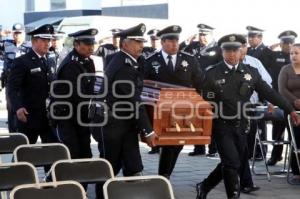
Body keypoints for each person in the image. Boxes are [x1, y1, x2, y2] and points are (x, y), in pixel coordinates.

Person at [195, 34, 300, 199]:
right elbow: (203, 101)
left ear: (241, 51)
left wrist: (289, 109)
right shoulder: (212, 74)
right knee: (232, 163)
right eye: (227, 50)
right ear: (222, 52)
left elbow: (270, 93)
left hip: (243, 124)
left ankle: (205, 186)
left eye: (235, 50)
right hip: (221, 125)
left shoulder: (251, 72)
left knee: (231, 162)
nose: (231, 54)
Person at [144, 25, 203, 179]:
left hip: (184, 109)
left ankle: (165, 175)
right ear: (162, 42)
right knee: (169, 143)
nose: (174, 44)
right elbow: (144, 86)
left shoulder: (189, 60)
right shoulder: (150, 61)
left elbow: (199, 83)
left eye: (176, 41)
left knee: (178, 143)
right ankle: (164, 176)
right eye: (170, 41)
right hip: (160, 111)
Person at [97, 23, 156, 177]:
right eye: (137, 42)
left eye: (142, 42)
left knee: (133, 166)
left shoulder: (127, 61)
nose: (141, 45)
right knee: (110, 168)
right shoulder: (124, 66)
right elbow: (134, 101)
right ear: (125, 44)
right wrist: (148, 131)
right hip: (114, 126)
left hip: (125, 123)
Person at [52, 28, 98, 159]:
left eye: (92, 44)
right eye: (87, 44)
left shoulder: (88, 61)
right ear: (77, 45)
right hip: (66, 117)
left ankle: (82, 179)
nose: (91, 47)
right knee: (71, 155)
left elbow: (91, 87)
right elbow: (76, 94)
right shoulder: (71, 64)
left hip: (81, 116)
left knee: (85, 154)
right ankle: (51, 179)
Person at [7, 24, 57, 144]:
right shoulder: (22, 61)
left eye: (49, 40)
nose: (47, 43)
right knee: (24, 154)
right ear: (34, 41)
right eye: (44, 40)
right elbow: (12, 88)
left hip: (47, 116)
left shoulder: (49, 61)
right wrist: (18, 108)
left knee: (53, 152)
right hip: (29, 116)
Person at [183, 23, 222, 157]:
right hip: (195, 89)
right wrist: (186, 42)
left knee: (212, 119)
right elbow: (181, 54)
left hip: (211, 89)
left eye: (204, 34)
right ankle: (199, 147)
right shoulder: (193, 47)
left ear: (211, 34)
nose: (202, 37)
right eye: (200, 34)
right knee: (196, 118)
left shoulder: (218, 49)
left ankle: (213, 148)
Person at [261, 30, 297, 166]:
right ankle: (275, 156)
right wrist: (270, 48)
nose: (288, 45)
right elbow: (262, 59)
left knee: (294, 132)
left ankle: (294, 161)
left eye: (290, 43)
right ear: (280, 44)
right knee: (277, 131)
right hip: (277, 98)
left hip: (293, 101)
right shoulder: (275, 56)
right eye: (285, 43)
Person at [0, 23, 31, 132]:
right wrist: (1, 34)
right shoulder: (6, 45)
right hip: (10, 83)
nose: (17, 35)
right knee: (11, 109)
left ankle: (24, 135)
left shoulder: (29, 47)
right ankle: (13, 137)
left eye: (19, 33)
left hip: (25, 84)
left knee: (24, 108)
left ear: (24, 33)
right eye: (15, 33)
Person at [278, 43, 300, 183]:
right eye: (291, 53)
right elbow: (282, 89)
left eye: (296, 53)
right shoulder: (285, 69)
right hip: (291, 109)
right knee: (296, 138)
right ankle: (296, 172)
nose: (293, 56)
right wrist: (295, 100)